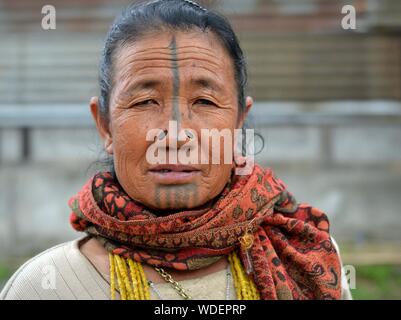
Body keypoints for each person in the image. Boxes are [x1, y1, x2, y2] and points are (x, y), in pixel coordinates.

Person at [0, 0, 351, 300]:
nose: (176, 134)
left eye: (204, 100)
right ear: (105, 124)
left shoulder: (304, 255)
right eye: (145, 100)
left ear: (239, 122)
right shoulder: (47, 286)